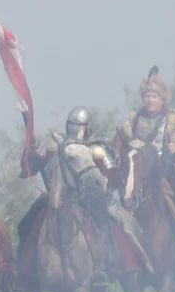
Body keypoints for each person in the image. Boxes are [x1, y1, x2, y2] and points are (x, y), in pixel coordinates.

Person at [25, 107, 146, 277]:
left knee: (102, 222)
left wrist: (101, 187)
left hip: (89, 200)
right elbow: (40, 165)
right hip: (58, 197)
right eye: (73, 124)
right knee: (28, 222)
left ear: (86, 127)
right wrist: (33, 152)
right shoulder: (58, 145)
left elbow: (112, 179)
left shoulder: (98, 148)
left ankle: (100, 267)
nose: (76, 129)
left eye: (79, 125)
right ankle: (26, 271)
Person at [111, 70, 175, 261]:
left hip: (166, 171)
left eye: (154, 96)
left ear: (162, 99)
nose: (150, 100)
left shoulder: (173, 120)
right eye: (147, 96)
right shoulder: (133, 120)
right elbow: (118, 144)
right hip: (136, 173)